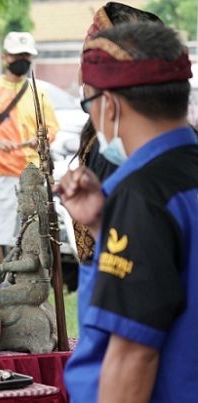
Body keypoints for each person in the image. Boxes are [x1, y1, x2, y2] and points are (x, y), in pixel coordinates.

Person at [58, 22, 197, 402]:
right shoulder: (184, 177)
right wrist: (106, 226)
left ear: (110, 105)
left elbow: (133, 354)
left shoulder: (142, 196)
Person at [72, 2, 162, 263]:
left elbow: (117, 261)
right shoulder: (177, 135)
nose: (81, 74)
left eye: (90, 62)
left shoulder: (115, 143)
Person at [0, 31, 58, 274]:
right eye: (18, 55)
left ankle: (27, 286)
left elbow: (52, 129)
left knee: (33, 236)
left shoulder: (39, 92)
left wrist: (38, 140)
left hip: (31, 176)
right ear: (5, 57)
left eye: (27, 56)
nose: (23, 60)